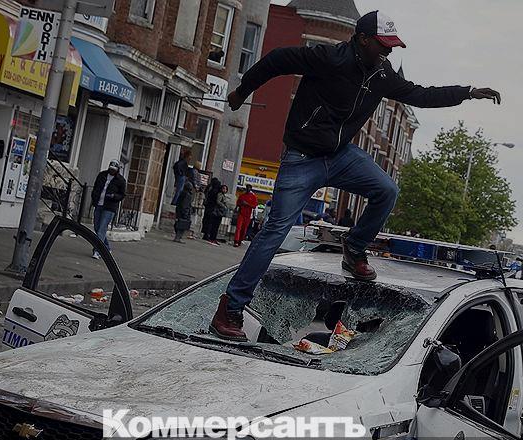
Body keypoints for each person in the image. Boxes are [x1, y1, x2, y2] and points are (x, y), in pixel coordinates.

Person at [209, 10, 502, 340]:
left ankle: (355, 247)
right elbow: (277, 60)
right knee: (275, 230)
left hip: (340, 156)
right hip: (302, 157)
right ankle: (230, 309)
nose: (387, 52)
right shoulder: (328, 58)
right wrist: (242, 91)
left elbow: (421, 94)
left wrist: (467, 91)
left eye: (392, 47)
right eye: (383, 45)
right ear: (363, 40)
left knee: (387, 190)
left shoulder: (381, 74)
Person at [90, 160, 126, 259]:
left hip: (110, 207)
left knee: (102, 228)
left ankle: (97, 251)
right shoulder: (102, 175)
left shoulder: (120, 180)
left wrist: (114, 196)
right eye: (111, 169)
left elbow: (122, 195)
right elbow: (96, 187)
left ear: (117, 170)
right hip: (99, 204)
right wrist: (94, 198)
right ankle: (106, 247)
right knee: (97, 227)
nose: (112, 171)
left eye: (114, 170)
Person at [172, 174, 195, 243]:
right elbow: (185, 205)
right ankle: (178, 238)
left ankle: (177, 237)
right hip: (184, 212)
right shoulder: (188, 195)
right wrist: (186, 213)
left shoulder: (182, 193)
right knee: (182, 225)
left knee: (178, 223)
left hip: (179, 210)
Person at [201, 177, 223, 243]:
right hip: (212, 208)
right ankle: (207, 234)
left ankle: (205, 234)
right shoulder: (216, 191)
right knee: (210, 222)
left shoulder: (210, 188)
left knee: (206, 221)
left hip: (208, 206)